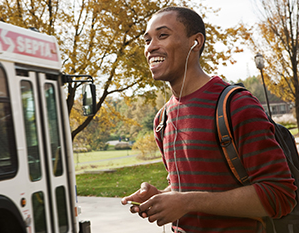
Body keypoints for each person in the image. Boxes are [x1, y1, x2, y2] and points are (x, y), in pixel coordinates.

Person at [121, 6, 297, 233]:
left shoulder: (235, 105)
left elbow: (280, 195)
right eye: (147, 40)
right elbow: (192, 188)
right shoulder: (161, 120)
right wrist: (162, 196)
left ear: (195, 42)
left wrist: (187, 202)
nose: (151, 47)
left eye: (162, 36)